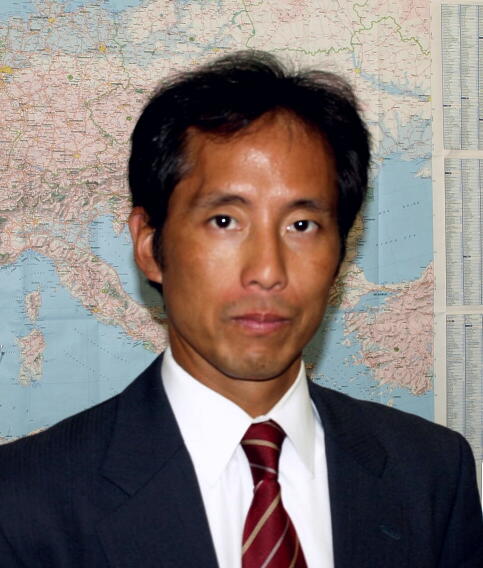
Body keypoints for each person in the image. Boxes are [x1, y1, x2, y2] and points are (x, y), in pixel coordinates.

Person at [0, 50, 481, 568]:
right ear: (150, 245)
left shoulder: (431, 472)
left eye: (302, 226)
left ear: (341, 252)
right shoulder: (24, 501)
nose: (268, 270)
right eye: (225, 221)